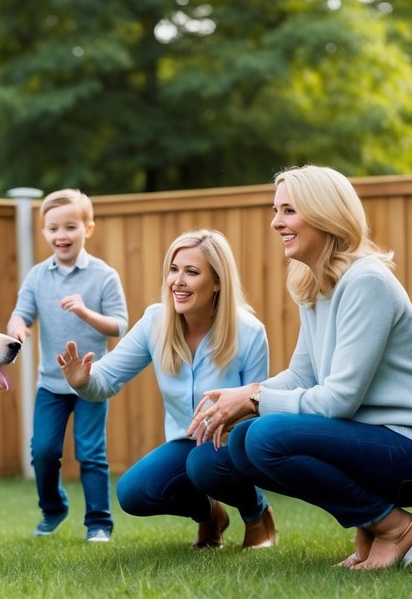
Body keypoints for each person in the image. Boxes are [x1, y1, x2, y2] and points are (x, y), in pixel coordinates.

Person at [186, 165, 412, 569]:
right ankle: (372, 527)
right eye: (275, 210)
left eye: (288, 211)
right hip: (379, 437)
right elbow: (304, 376)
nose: (275, 222)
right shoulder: (315, 282)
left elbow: (339, 399)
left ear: (323, 213)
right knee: (245, 441)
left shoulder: (366, 281)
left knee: (264, 435)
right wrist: (242, 397)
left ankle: (395, 528)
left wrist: (254, 398)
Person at [57, 229, 270, 549]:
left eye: (191, 272)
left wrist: (230, 430)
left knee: (205, 464)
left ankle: (257, 515)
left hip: (232, 445)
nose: (178, 281)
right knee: (133, 492)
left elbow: (258, 407)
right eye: (174, 269)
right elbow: (107, 378)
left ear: (217, 282)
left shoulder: (250, 332)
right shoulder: (155, 322)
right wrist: (83, 381)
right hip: (186, 443)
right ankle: (211, 515)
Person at [7, 189, 128, 543]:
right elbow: (21, 314)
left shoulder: (104, 276)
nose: (61, 236)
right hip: (51, 385)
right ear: (44, 232)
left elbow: (120, 325)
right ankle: (54, 508)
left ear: (87, 229)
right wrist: (18, 328)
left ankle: (99, 523)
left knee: (91, 453)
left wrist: (84, 312)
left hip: (92, 383)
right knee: (43, 451)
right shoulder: (37, 277)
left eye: (71, 227)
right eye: (53, 228)